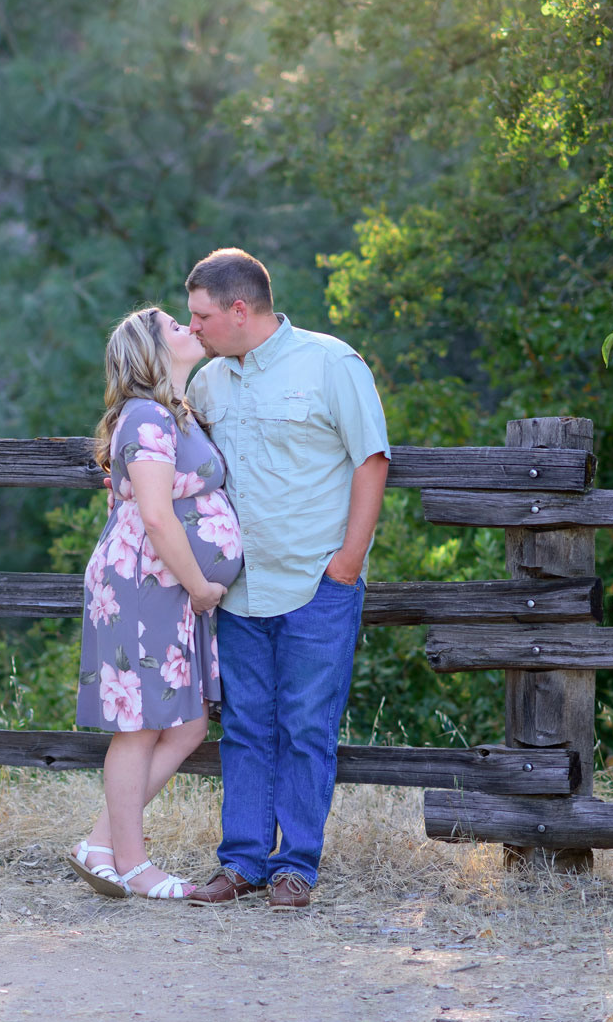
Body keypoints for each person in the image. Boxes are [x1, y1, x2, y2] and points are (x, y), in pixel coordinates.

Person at [178, 247, 390, 911]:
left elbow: (372, 459)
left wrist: (348, 561)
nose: (193, 330)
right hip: (239, 589)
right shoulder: (207, 382)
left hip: (317, 582)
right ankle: (240, 863)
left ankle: (295, 867)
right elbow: (172, 457)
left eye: (201, 317)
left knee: (305, 725)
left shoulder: (331, 362)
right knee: (244, 725)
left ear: (240, 310)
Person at [68, 306, 244, 900]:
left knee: (189, 724)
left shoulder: (173, 414)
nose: (190, 329)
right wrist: (199, 586)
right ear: (151, 352)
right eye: (175, 326)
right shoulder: (146, 417)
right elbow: (156, 515)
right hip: (149, 585)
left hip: (164, 585)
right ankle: (135, 865)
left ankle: (100, 843)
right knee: (140, 727)